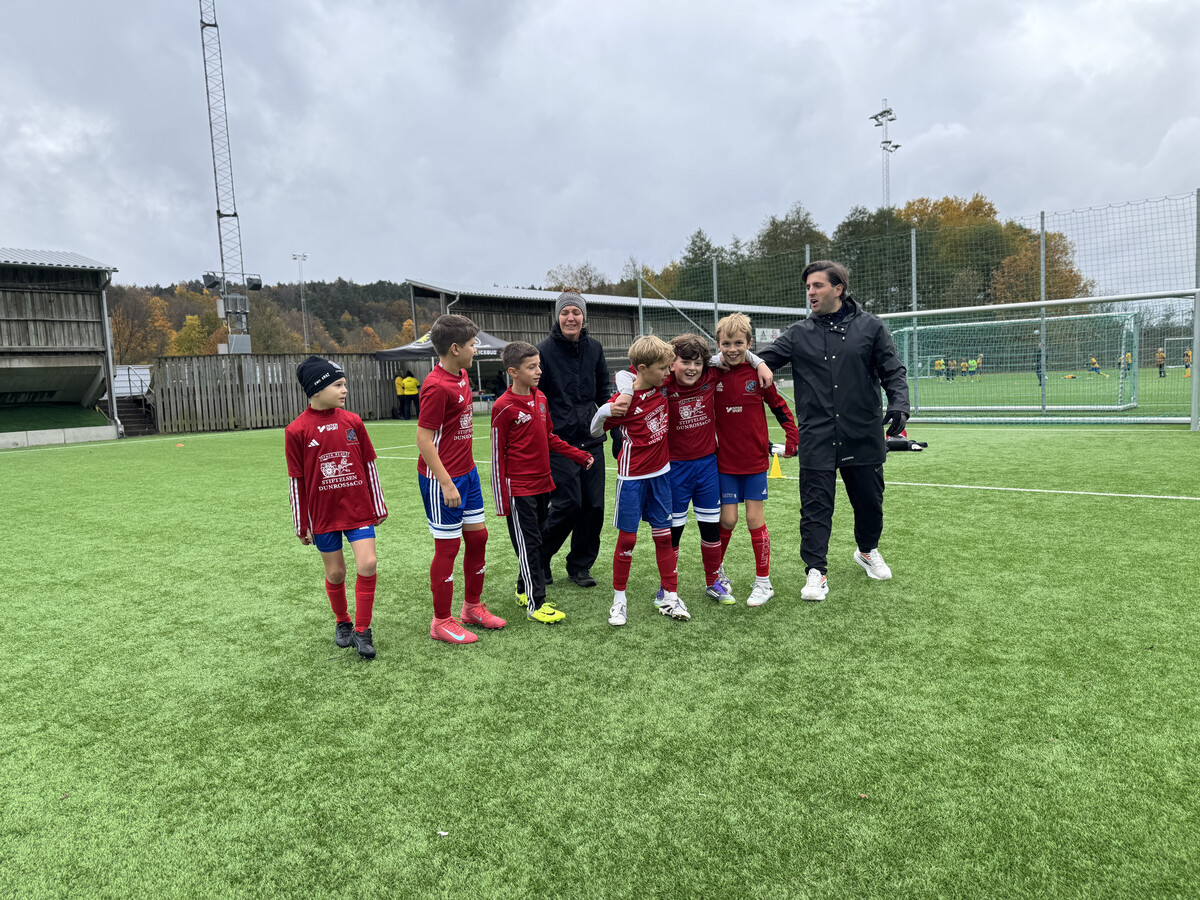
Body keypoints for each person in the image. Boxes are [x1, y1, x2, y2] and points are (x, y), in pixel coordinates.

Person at [758, 260, 909, 603]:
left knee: (870, 503)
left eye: (817, 285)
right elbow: (759, 360)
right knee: (815, 507)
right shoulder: (798, 334)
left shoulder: (871, 327)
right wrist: (726, 361)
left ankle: (867, 551)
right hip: (817, 435)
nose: (810, 292)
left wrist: (900, 404)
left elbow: (893, 371)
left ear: (838, 289)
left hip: (863, 432)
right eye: (808, 287)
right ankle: (816, 571)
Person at [612, 333, 775, 606]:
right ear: (671, 363)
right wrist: (627, 392)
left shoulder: (710, 375)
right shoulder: (663, 383)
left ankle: (713, 582)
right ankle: (666, 587)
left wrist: (759, 362)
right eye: (684, 362)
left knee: (710, 529)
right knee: (673, 531)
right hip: (673, 469)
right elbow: (626, 373)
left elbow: (733, 354)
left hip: (707, 466)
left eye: (697, 363)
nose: (691, 368)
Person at [285, 356, 388, 659]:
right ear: (316, 390)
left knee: (368, 563)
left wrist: (378, 504)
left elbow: (369, 464)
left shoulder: (353, 421)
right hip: (323, 515)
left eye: (344, 384)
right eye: (338, 385)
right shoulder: (296, 430)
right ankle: (343, 621)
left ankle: (363, 630)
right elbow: (296, 481)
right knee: (336, 572)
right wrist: (301, 522)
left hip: (358, 509)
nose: (345, 390)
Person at [416, 314, 506, 644]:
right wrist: (445, 482)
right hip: (443, 480)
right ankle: (441, 621)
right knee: (448, 546)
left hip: (468, 474)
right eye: (471, 344)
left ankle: (472, 607)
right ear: (455, 348)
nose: (475, 349)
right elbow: (423, 439)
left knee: (478, 538)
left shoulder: (463, 375)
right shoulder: (436, 386)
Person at [490, 341, 594, 624]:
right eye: (531, 367)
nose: (538, 371)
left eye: (539, 365)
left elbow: (549, 437)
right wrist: (502, 501)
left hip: (542, 485)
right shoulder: (503, 407)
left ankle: (523, 589)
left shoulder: (541, 399)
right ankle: (536, 604)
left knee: (538, 539)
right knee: (530, 544)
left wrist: (578, 455)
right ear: (513, 372)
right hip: (519, 489)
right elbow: (497, 455)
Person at [589, 336, 689, 625]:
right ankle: (619, 600)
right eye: (663, 368)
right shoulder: (623, 402)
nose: (668, 373)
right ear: (644, 369)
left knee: (664, 537)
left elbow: (624, 372)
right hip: (631, 478)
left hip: (661, 475)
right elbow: (595, 431)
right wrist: (604, 411)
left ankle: (670, 595)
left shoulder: (661, 386)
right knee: (628, 539)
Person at [710, 314, 799, 607]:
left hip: (754, 460)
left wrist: (792, 436)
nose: (732, 349)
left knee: (753, 519)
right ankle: (716, 573)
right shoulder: (712, 374)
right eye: (726, 344)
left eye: (739, 343)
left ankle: (763, 582)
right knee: (727, 519)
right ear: (718, 344)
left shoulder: (759, 374)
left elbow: (779, 405)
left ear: (749, 344)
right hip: (724, 461)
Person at [537, 290, 610, 588]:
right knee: (568, 505)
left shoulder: (595, 348)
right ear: (557, 316)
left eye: (576, 312)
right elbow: (536, 397)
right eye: (565, 312)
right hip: (560, 443)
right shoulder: (542, 352)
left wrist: (614, 428)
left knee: (593, 507)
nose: (571, 317)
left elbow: (603, 393)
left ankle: (580, 565)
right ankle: (540, 559)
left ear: (583, 317)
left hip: (591, 440)